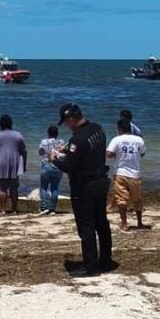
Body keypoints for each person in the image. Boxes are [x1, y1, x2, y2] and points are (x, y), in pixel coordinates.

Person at [50, 103, 114, 278]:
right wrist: (68, 148)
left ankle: (90, 266)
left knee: (86, 227)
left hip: (84, 186)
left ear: (71, 119)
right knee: (101, 222)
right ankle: (106, 259)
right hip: (101, 181)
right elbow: (86, 149)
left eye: (66, 122)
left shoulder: (77, 140)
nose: (67, 126)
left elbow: (69, 166)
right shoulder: (97, 129)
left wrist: (54, 159)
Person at [107, 118, 150, 231]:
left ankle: (124, 223)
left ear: (119, 129)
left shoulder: (116, 139)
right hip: (135, 173)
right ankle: (140, 223)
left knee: (121, 199)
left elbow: (109, 154)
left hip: (120, 172)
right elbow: (142, 153)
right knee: (137, 199)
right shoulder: (139, 140)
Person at [38, 125, 64, 216]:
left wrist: (46, 152)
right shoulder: (61, 142)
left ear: (48, 133)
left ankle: (44, 207)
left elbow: (40, 152)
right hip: (58, 167)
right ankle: (52, 209)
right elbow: (63, 153)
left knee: (44, 187)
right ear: (57, 133)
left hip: (46, 166)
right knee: (55, 187)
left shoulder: (43, 141)